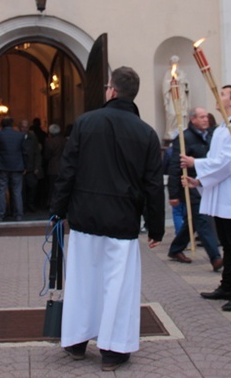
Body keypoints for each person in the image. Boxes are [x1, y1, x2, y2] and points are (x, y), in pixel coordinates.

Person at [51, 66, 164, 372]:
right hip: (123, 219)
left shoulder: (86, 123)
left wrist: (58, 211)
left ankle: (75, 341)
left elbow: (68, 172)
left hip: (85, 215)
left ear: (112, 91)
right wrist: (156, 227)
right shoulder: (146, 133)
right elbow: (154, 185)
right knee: (118, 284)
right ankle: (113, 350)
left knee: (81, 279)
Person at [183, 86, 231, 312]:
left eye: (223, 94)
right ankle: (226, 285)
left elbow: (228, 162)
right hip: (221, 192)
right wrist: (200, 181)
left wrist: (197, 164)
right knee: (226, 242)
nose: (218, 98)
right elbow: (216, 160)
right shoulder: (222, 128)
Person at [166, 107, 222, 271]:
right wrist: (173, 193)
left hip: (207, 183)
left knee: (195, 221)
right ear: (193, 119)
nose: (206, 119)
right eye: (202, 117)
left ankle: (175, 249)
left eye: (206, 116)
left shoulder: (212, 135)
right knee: (202, 219)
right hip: (191, 185)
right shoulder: (184, 139)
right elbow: (175, 166)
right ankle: (215, 257)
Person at [0, 117, 26, 221]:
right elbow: (24, 151)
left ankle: (0, 215)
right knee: (17, 191)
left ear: (2, 125)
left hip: (1, 166)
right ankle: (19, 215)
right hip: (17, 166)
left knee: (1, 191)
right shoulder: (19, 136)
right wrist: (25, 166)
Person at [161, 56, 190, 141]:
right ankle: (170, 132)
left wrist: (184, 83)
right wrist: (173, 81)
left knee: (181, 114)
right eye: (173, 62)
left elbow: (187, 85)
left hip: (181, 97)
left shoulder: (181, 72)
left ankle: (180, 131)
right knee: (172, 113)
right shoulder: (168, 73)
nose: (175, 64)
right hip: (172, 97)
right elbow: (165, 85)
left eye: (176, 62)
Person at [19, 119, 42, 215]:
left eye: (26, 127)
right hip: (20, 168)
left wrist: (37, 167)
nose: (25, 129)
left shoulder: (32, 137)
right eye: (23, 127)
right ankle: (22, 207)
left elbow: (37, 152)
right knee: (21, 190)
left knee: (32, 187)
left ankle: (30, 205)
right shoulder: (17, 137)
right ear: (20, 127)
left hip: (31, 167)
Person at [43, 123, 65, 207]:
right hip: (63, 167)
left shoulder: (49, 142)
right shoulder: (64, 140)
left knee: (52, 187)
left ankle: (52, 204)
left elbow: (47, 155)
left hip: (53, 167)